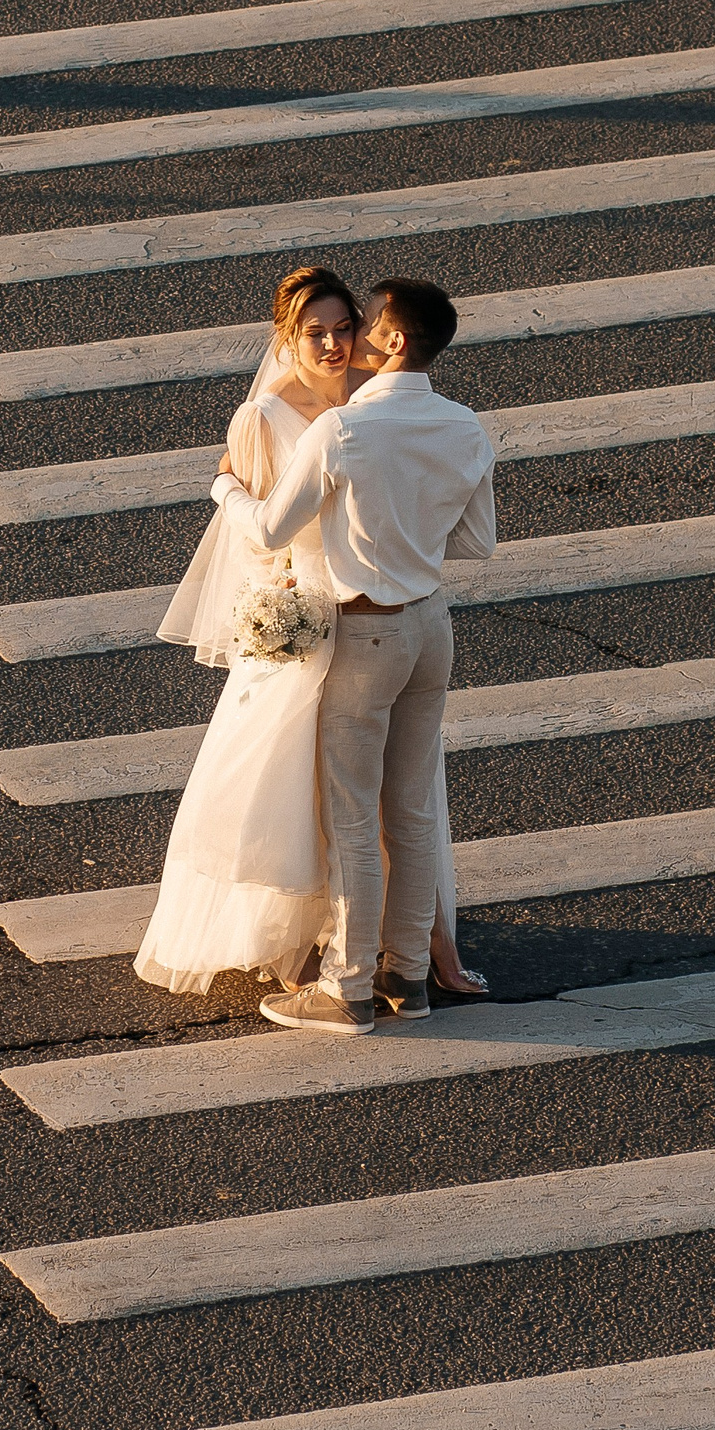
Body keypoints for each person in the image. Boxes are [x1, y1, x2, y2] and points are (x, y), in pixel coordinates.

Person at [135, 269, 493, 1000]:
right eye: (316, 332)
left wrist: (223, 486)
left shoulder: (349, 422)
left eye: (348, 327)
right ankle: (402, 966)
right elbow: (473, 541)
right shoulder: (438, 421)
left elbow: (268, 524)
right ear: (286, 338)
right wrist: (403, 540)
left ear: (383, 338)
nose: (336, 344)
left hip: (361, 632)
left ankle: (354, 982)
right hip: (375, 626)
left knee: (361, 814)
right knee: (391, 806)